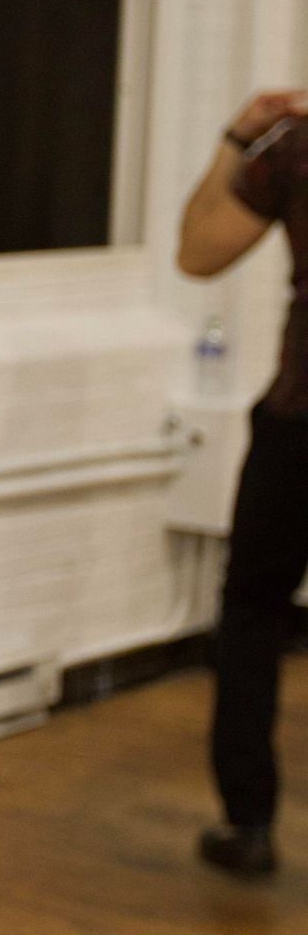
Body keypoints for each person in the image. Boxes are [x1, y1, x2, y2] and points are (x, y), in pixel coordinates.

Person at [178, 87, 308, 878]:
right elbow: (198, 256)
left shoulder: (298, 146)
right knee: (253, 608)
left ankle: (248, 823)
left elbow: (198, 250)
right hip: (298, 419)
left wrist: (237, 139)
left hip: (301, 419)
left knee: (254, 612)